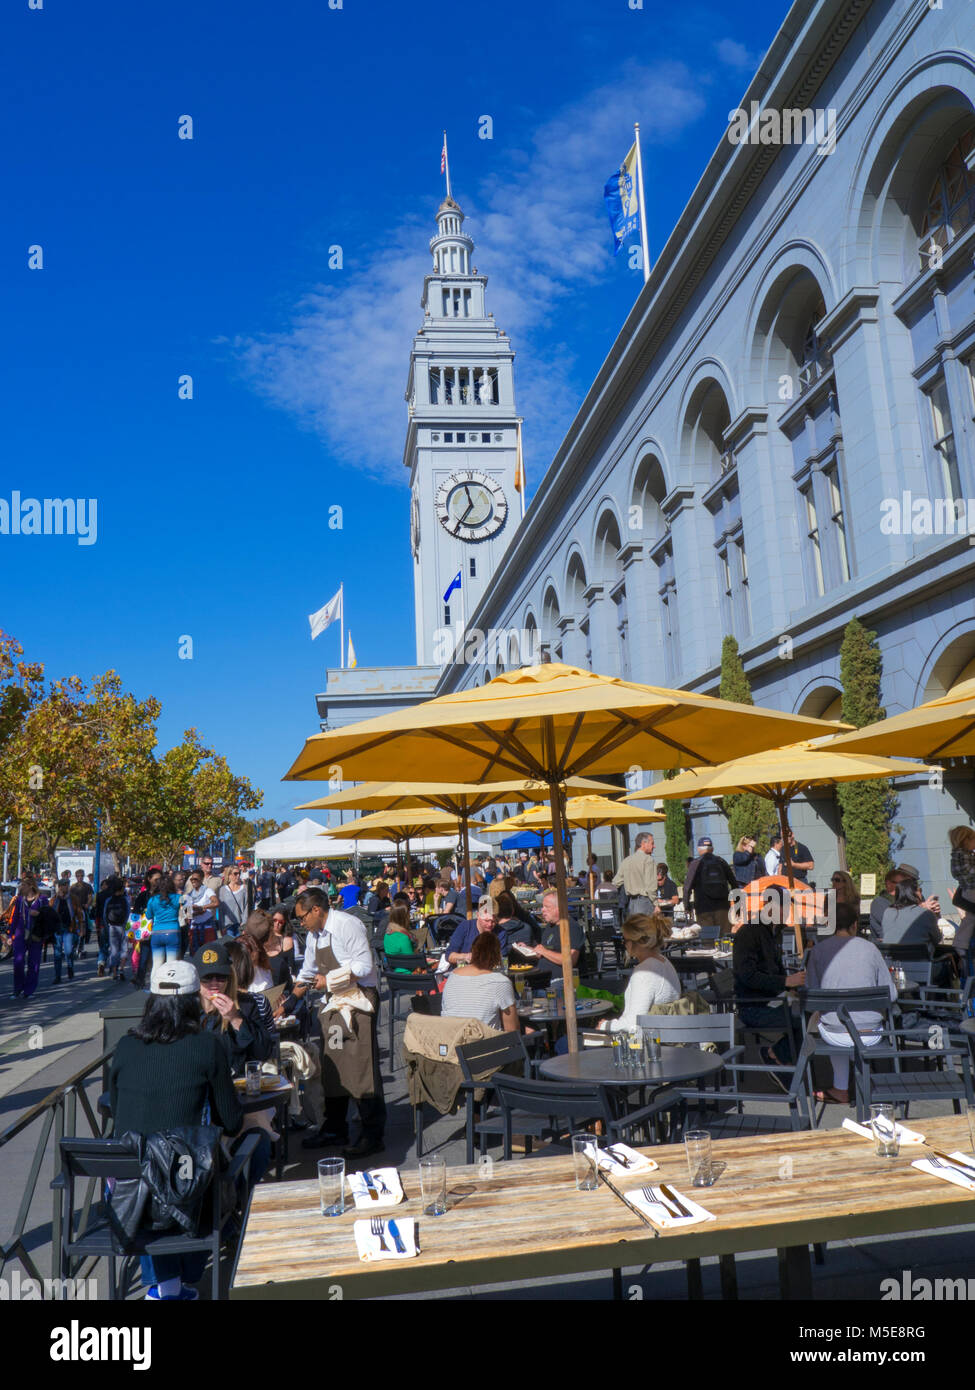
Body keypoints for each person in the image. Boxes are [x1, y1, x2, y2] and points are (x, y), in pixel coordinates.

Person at [109, 957, 244, 1301]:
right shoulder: (206, 1046)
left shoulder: (125, 1045)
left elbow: (114, 1104)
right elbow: (232, 1121)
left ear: (152, 1001)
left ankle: (168, 1287)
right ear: (190, 1003)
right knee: (208, 1164)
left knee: (156, 1163)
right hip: (185, 1195)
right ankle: (178, 1283)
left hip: (126, 1196)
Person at [293, 887, 385, 1159]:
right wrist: (289, 999)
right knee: (331, 1064)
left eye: (302, 916)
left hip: (359, 1000)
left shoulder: (347, 925)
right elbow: (308, 971)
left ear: (316, 910)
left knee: (360, 1066)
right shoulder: (314, 935)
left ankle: (373, 1134)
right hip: (334, 1002)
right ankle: (335, 1127)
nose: (301, 922)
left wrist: (329, 980)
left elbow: (364, 966)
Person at [805, 902, 896, 1104]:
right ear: (855, 925)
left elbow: (811, 994)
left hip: (835, 1033)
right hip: (870, 1034)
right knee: (848, 1023)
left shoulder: (818, 951)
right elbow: (892, 994)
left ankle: (841, 1088)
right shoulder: (871, 949)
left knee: (828, 1021)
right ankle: (864, 1080)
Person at [732, 884, 805, 1072]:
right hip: (753, 1006)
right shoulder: (749, 933)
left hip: (771, 999)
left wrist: (790, 987)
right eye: (785, 906)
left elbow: (775, 969)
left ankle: (784, 1056)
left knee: (811, 1011)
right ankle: (776, 1055)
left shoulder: (774, 930)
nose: (788, 911)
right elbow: (747, 976)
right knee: (806, 1018)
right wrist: (786, 982)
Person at [191, 939, 275, 1076]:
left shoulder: (246, 1004)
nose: (214, 984)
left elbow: (263, 1053)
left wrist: (236, 1019)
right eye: (206, 978)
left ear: (229, 977)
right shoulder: (187, 1008)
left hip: (235, 1085)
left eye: (221, 977)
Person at [600, 914, 681, 1032]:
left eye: (624, 940)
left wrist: (607, 1025)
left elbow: (634, 1024)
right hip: (666, 1035)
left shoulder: (644, 973)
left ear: (636, 942)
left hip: (645, 1043)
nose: (623, 944)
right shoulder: (665, 962)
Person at [441, 931, 518, 1031]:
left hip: (450, 1040)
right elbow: (512, 1030)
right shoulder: (500, 982)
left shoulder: (453, 975)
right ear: (497, 956)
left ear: (472, 951)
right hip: (483, 1044)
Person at [9, 875, 53, 999]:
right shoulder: (19, 900)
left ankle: (29, 990)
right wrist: (10, 934)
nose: (21, 887)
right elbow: (15, 918)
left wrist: (38, 913)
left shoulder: (42, 899)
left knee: (34, 963)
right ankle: (17, 989)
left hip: (36, 934)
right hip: (20, 933)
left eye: (23, 885)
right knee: (18, 961)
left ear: (30, 886)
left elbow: (48, 915)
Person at [683, 837, 737, 934]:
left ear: (699, 849)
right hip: (723, 907)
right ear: (712, 849)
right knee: (725, 939)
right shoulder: (721, 861)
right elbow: (734, 884)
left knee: (708, 942)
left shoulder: (695, 864)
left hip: (704, 908)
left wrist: (687, 907)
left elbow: (687, 887)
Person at [138, 873, 183, 989]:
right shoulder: (178, 898)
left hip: (157, 933)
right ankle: (171, 988)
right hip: (173, 932)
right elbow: (187, 913)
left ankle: (154, 988)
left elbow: (148, 916)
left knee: (157, 963)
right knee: (171, 963)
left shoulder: (152, 900)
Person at [533, 889, 585, 972]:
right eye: (542, 906)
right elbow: (544, 951)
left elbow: (571, 960)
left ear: (559, 908)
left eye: (547, 907)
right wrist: (528, 949)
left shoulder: (571, 927)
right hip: (543, 977)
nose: (542, 910)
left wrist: (544, 952)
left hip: (562, 981)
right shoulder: (550, 926)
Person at [446, 895, 505, 965]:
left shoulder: (500, 933)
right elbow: (449, 956)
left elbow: (501, 959)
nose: (489, 924)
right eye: (486, 920)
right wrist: (465, 956)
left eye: (493, 921)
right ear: (478, 915)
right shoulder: (465, 927)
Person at [612, 831, 656, 915]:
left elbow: (616, 882)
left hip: (631, 904)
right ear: (643, 843)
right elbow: (651, 887)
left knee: (635, 928)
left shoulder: (627, 860)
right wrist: (656, 904)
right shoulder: (648, 860)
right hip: (645, 902)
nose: (654, 846)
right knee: (647, 927)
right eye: (652, 843)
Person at [949, 825, 975, 960]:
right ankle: (960, 944)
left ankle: (960, 944)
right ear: (966, 840)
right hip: (971, 889)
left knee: (969, 918)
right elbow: (969, 872)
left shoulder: (957, 855)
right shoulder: (964, 855)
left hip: (966, 889)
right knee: (970, 919)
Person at [99, 875, 131, 983]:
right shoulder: (125, 899)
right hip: (123, 926)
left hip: (112, 926)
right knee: (124, 948)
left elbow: (104, 914)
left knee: (114, 949)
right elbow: (127, 913)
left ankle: (114, 972)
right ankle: (121, 968)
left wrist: (107, 924)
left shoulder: (109, 900)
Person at [51, 879, 82, 984]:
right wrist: (57, 899)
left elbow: (79, 913)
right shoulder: (54, 899)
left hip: (69, 928)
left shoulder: (73, 899)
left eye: (66, 885)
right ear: (59, 887)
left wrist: (81, 928)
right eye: (63, 885)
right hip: (57, 929)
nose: (64, 887)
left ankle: (70, 966)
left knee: (68, 951)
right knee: (57, 953)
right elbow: (50, 912)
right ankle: (57, 975)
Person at [218, 865, 254, 939]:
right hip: (228, 925)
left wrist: (244, 924)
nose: (238, 876)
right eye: (235, 874)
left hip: (240, 925)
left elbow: (247, 907)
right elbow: (221, 909)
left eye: (239, 873)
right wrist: (222, 926)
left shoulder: (244, 889)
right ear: (229, 875)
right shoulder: (223, 890)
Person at [382, 904, 419, 971]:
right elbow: (412, 962)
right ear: (404, 918)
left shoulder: (387, 935)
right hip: (409, 975)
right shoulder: (404, 937)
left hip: (394, 976)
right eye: (408, 914)